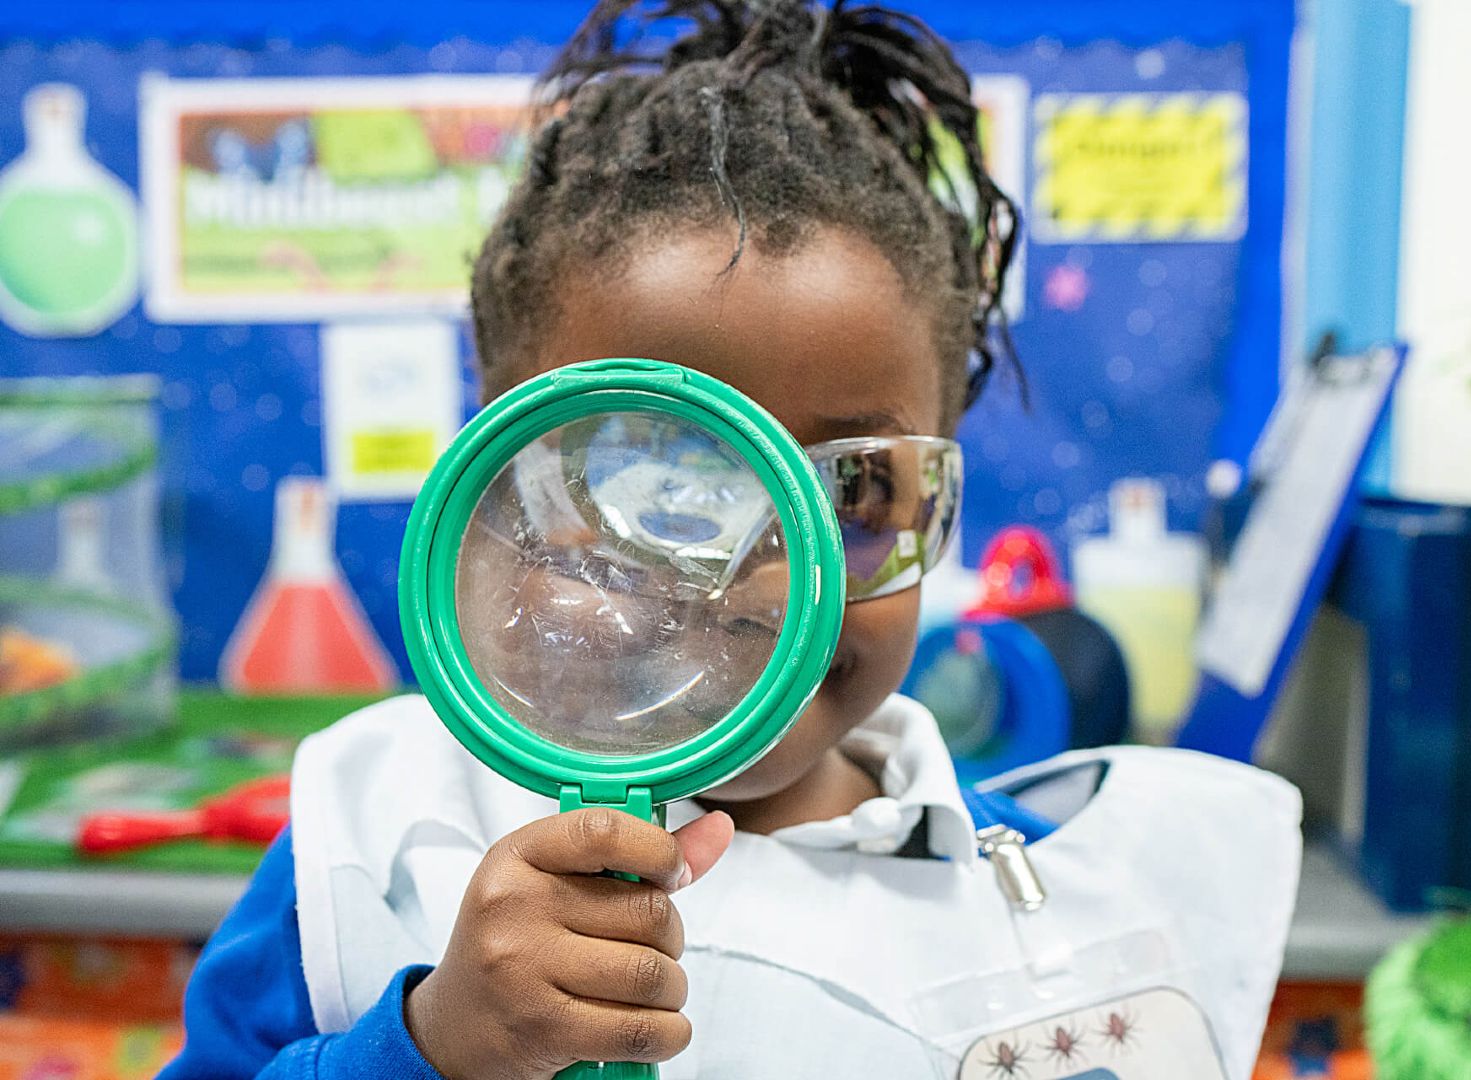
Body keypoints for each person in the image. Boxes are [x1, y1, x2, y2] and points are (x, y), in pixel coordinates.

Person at [160, 3, 1302, 1078]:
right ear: (499, 488)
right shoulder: (379, 827)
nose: (770, 582)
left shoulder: (1040, 903)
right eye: (658, 487)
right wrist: (430, 1047)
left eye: (854, 497)